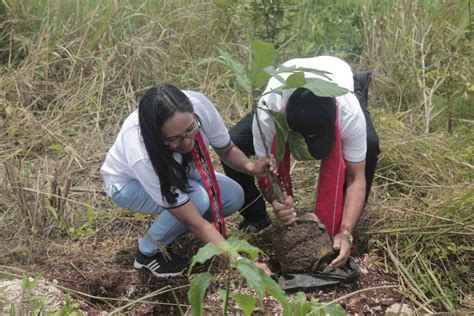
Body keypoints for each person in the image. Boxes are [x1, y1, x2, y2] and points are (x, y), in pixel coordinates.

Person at [222, 56, 380, 268]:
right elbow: (264, 171)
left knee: (369, 145)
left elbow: (355, 177)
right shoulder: (269, 114)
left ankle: (345, 220)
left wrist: (346, 232)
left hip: (337, 79)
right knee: (234, 143)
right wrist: (275, 201)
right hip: (283, 95)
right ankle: (256, 217)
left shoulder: (348, 110)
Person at [101, 83, 271, 277]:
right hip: (128, 185)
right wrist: (240, 263)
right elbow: (196, 222)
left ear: (191, 109)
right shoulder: (141, 152)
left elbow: (226, 149)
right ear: (156, 135)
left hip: (182, 171)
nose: (188, 141)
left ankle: (172, 230)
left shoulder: (200, 104)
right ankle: (147, 252)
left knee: (233, 195)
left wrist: (251, 167)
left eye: (191, 129)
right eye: (175, 139)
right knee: (197, 200)